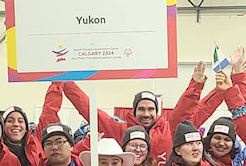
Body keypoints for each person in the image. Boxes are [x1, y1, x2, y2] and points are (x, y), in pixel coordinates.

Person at [61, 63, 204, 160]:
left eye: (151, 109)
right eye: (141, 109)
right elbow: (89, 110)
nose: (146, 114)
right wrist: (66, 81)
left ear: (157, 111)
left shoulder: (169, 130)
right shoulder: (119, 130)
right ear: (134, 111)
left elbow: (184, 110)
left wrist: (196, 85)